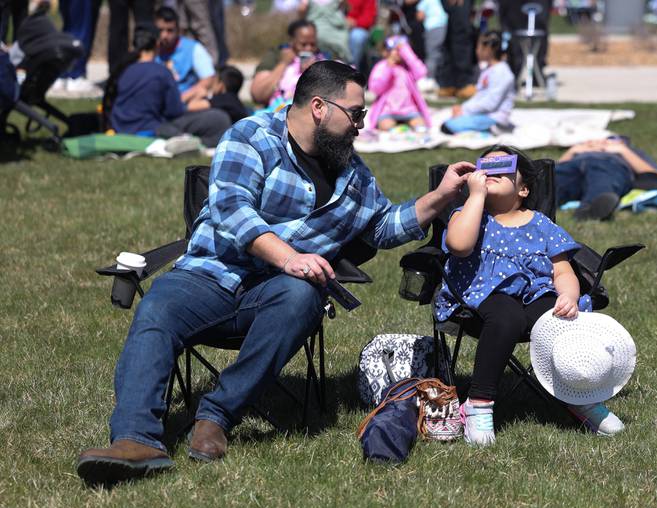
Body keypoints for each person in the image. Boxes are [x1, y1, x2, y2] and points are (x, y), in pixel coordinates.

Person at [75, 60, 473, 486]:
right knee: (157, 310)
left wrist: (441, 195)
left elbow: (383, 226)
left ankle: (216, 415)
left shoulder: (353, 176)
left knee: (302, 296)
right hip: (210, 275)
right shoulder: (251, 137)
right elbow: (232, 211)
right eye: (355, 113)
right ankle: (136, 440)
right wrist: (288, 257)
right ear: (320, 107)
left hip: (275, 294)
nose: (362, 123)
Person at [434, 145, 624, 446]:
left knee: (561, 318)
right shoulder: (469, 213)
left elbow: (562, 271)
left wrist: (569, 296)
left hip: (536, 292)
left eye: (503, 167)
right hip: (480, 293)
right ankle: (478, 404)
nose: (492, 172)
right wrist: (476, 196)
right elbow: (459, 245)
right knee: (507, 317)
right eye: (487, 166)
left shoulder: (541, 223)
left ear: (523, 189)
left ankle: (575, 392)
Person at [106, 24, 231, 148]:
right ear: (157, 45)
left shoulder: (123, 70)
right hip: (150, 130)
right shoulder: (161, 72)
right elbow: (174, 111)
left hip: (119, 127)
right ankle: (198, 144)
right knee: (220, 118)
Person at [555, 136, 657, 221]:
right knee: (558, 178)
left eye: (610, 139)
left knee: (602, 178)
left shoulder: (631, 152)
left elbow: (654, 176)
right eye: (594, 140)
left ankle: (589, 210)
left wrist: (623, 150)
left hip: (609, 165)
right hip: (573, 165)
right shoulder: (579, 151)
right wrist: (572, 151)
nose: (601, 141)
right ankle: (543, 201)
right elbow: (557, 168)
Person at [441, 31, 515, 134]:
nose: (476, 51)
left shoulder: (503, 73)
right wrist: (462, 108)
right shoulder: (488, 69)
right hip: (483, 114)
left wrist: (465, 111)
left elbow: (490, 104)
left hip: (494, 117)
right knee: (447, 122)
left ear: (489, 49)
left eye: (478, 47)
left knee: (448, 126)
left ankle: (493, 129)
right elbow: (479, 96)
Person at [250, 19, 326, 108]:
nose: (308, 49)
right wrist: (283, 63)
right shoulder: (276, 55)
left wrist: (314, 72)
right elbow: (258, 95)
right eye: (303, 44)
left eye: (313, 44)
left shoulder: (323, 58)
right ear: (292, 41)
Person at [366, 35, 431, 131]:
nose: (398, 53)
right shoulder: (381, 66)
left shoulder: (407, 68)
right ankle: (399, 128)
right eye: (395, 50)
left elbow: (422, 72)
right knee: (385, 126)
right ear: (385, 52)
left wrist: (406, 51)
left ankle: (404, 126)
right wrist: (388, 69)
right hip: (388, 110)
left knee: (420, 125)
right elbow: (375, 89)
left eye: (400, 50)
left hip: (409, 110)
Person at [154, 6, 215, 104]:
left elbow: (208, 78)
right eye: (160, 30)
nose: (164, 36)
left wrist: (181, 99)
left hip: (185, 104)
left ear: (178, 30)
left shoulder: (193, 48)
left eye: (170, 30)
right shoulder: (150, 50)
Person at [415, 0, 448, 92]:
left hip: (432, 27)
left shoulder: (425, 1)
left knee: (432, 54)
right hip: (443, 26)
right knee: (438, 54)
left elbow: (419, 16)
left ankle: (430, 79)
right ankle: (436, 79)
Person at [346, 0, 377, 71]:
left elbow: (368, 19)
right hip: (335, 26)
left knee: (356, 37)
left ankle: (351, 70)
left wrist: (354, 22)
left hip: (358, 28)